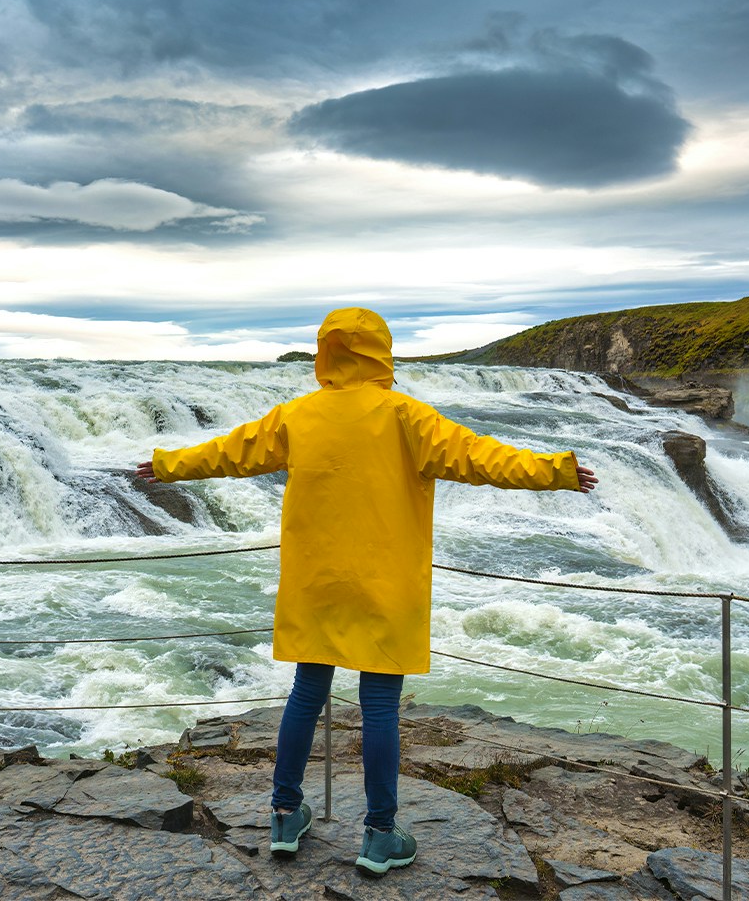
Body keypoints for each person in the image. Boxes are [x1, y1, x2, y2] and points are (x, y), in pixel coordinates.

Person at [136, 307, 597, 876]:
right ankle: (379, 833)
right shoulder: (406, 415)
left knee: (306, 694)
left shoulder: (298, 415)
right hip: (384, 581)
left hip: (316, 580)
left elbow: (232, 452)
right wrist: (556, 470)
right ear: (382, 352)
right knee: (379, 705)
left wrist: (167, 465)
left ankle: (284, 815)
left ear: (325, 352)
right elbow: (481, 458)